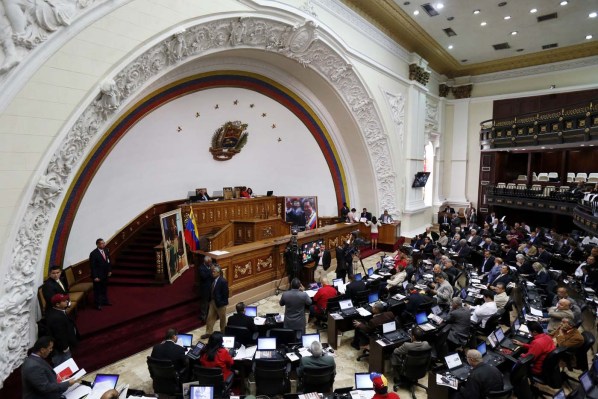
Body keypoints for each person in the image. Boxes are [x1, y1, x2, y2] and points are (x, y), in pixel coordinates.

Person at [46, 294, 79, 366]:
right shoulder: (56, 318)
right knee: (64, 368)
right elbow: (59, 335)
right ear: (57, 304)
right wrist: (65, 348)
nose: (67, 301)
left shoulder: (59, 311)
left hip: (64, 347)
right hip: (61, 350)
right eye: (64, 301)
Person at [201, 265, 229, 339]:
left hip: (220, 304)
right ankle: (208, 333)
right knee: (209, 318)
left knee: (222, 319)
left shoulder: (223, 281)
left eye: (214, 272)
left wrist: (223, 303)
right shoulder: (213, 280)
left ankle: (223, 333)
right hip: (213, 302)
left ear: (218, 273)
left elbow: (226, 294)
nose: (212, 273)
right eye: (212, 271)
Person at [89, 238, 112, 310]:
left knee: (104, 289)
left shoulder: (106, 250)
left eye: (104, 243)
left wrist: (109, 271)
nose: (103, 244)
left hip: (105, 274)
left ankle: (104, 301)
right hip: (98, 276)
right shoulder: (93, 253)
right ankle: (97, 304)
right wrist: (95, 276)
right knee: (97, 290)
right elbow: (93, 266)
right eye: (101, 243)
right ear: (97, 244)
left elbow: (108, 261)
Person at [198, 256, 214, 323]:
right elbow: (204, 277)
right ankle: (203, 317)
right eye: (209, 262)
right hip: (205, 289)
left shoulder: (211, 266)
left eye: (211, 262)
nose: (210, 263)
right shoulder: (201, 268)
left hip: (211, 287)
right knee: (204, 303)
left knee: (211, 302)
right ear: (205, 262)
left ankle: (211, 315)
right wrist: (210, 270)